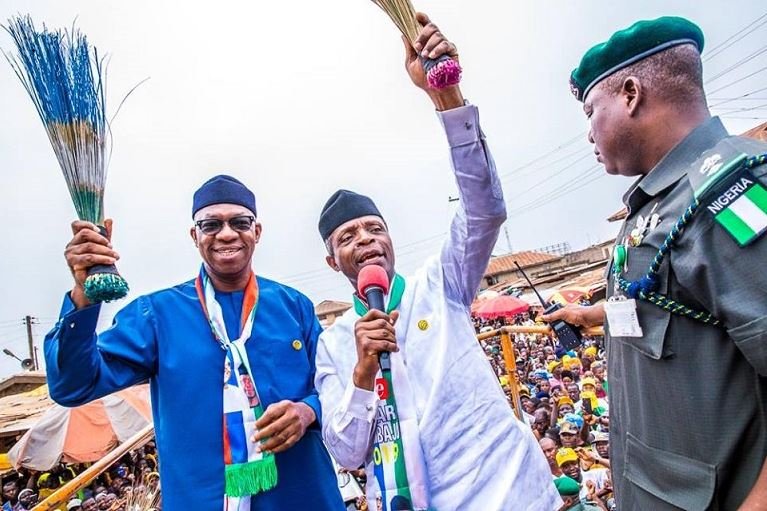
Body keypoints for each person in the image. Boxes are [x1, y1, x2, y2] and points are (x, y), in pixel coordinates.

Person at [313, 13, 560, 510]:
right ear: (331, 258)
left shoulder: (440, 283)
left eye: (375, 228)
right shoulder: (334, 344)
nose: (365, 240)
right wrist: (362, 371)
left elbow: (484, 209)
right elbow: (345, 450)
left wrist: (445, 97)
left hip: (509, 493)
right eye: (349, 235)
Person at [545, 15, 767, 510]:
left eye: (589, 112)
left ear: (630, 94)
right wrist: (594, 315)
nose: (588, 134)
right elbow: (688, 304)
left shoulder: (731, 193)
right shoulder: (660, 202)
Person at [44, 176, 344, 510]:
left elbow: (337, 390)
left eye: (239, 222)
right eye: (211, 224)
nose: (226, 233)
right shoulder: (156, 316)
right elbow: (71, 386)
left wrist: (308, 411)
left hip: (304, 498)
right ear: (194, 235)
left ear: (256, 232)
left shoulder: (294, 307)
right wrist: (83, 295)